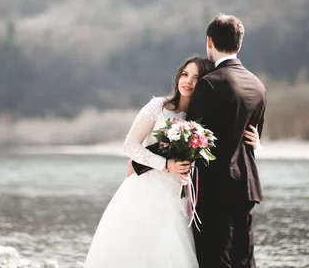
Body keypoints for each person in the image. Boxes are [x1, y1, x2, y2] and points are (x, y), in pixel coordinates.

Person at [83, 55, 261, 268]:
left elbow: (226, 143)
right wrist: (166, 165)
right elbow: (130, 145)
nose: (188, 81)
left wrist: (256, 143)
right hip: (148, 188)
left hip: (182, 194)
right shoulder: (158, 106)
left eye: (196, 77)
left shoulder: (199, 119)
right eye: (185, 74)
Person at [187, 13, 266, 268]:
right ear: (239, 45)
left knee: (214, 258)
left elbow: (191, 138)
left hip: (214, 188)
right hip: (246, 186)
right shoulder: (258, 86)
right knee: (244, 258)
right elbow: (253, 139)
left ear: (209, 42)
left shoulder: (210, 84)